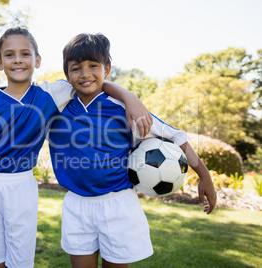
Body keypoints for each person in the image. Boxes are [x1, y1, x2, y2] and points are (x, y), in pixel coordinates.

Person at [0, 27, 153, 268]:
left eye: (25, 54)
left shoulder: (54, 92)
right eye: (10, 55)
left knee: (20, 262)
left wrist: (128, 96)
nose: (17, 59)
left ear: (37, 60)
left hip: (21, 186)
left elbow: (93, 82)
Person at [45, 33, 217, 267]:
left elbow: (176, 137)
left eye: (93, 66)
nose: (85, 74)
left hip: (118, 205)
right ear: (67, 75)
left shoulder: (126, 110)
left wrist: (204, 175)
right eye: (76, 68)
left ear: (107, 69)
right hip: (77, 205)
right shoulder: (57, 107)